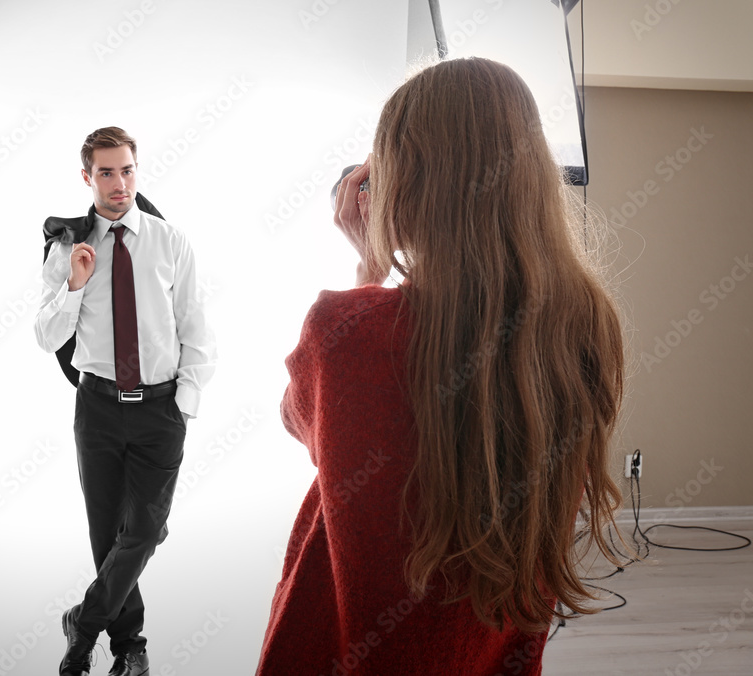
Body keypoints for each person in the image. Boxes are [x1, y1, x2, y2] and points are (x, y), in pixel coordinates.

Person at [256, 57, 626, 675]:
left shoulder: (349, 329)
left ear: (404, 182)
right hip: (489, 646)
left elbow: (306, 425)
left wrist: (367, 274)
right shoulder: (584, 323)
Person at [35, 126, 216, 676]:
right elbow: (45, 336)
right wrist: (75, 285)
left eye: (128, 170)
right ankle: (130, 647)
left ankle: (82, 627)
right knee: (107, 534)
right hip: (98, 409)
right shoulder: (69, 246)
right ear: (87, 177)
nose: (120, 183)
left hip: (161, 408)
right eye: (107, 173)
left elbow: (196, 327)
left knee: (143, 531)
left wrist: (184, 404)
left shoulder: (170, 240)